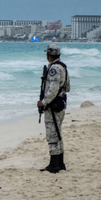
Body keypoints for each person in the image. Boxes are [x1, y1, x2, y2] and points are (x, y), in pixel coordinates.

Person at [37, 44, 70, 173]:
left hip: (53, 106)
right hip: (60, 103)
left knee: (52, 134)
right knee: (58, 133)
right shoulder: (63, 67)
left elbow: (53, 88)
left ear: (49, 55)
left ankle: (54, 165)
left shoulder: (54, 69)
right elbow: (67, 87)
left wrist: (43, 102)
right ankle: (60, 163)